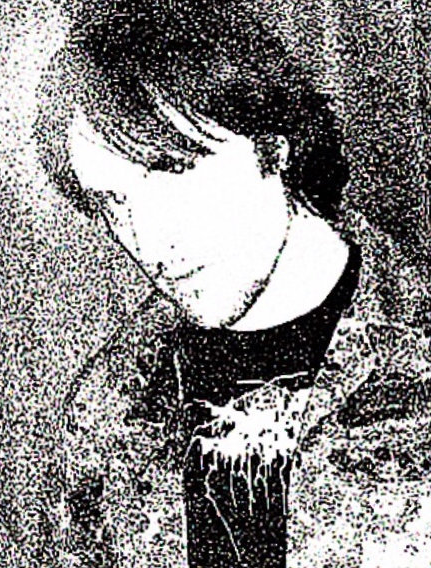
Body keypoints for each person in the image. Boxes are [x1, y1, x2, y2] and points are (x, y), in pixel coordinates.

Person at [35, 1, 361, 565]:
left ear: (272, 147)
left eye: (169, 174)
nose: (148, 238)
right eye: (113, 202)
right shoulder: (103, 408)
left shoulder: (413, 359)